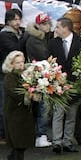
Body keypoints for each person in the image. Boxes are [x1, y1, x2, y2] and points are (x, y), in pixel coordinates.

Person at [49, 17, 81, 154]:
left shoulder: (80, 42)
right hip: (58, 83)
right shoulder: (53, 43)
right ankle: (57, 142)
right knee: (58, 113)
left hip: (75, 83)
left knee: (71, 114)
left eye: (58, 27)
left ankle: (67, 142)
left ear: (66, 28)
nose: (55, 29)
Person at [0, 8, 24, 145]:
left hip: (16, 73)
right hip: (4, 74)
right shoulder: (5, 35)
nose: (17, 22)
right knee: (3, 106)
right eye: (14, 19)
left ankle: (8, 134)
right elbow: (16, 48)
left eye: (19, 19)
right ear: (8, 21)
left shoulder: (18, 33)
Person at [24, 13, 52, 147]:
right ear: (38, 25)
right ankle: (40, 134)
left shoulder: (43, 38)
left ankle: (40, 134)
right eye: (44, 24)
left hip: (42, 75)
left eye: (48, 23)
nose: (48, 26)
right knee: (41, 107)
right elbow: (44, 56)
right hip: (38, 76)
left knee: (41, 107)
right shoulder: (34, 40)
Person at [3, 51, 38, 160]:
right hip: (14, 113)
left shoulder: (24, 75)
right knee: (18, 142)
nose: (21, 64)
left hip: (24, 113)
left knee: (21, 144)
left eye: (22, 62)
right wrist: (30, 96)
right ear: (11, 63)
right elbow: (15, 92)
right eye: (17, 62)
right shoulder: (10, 76)